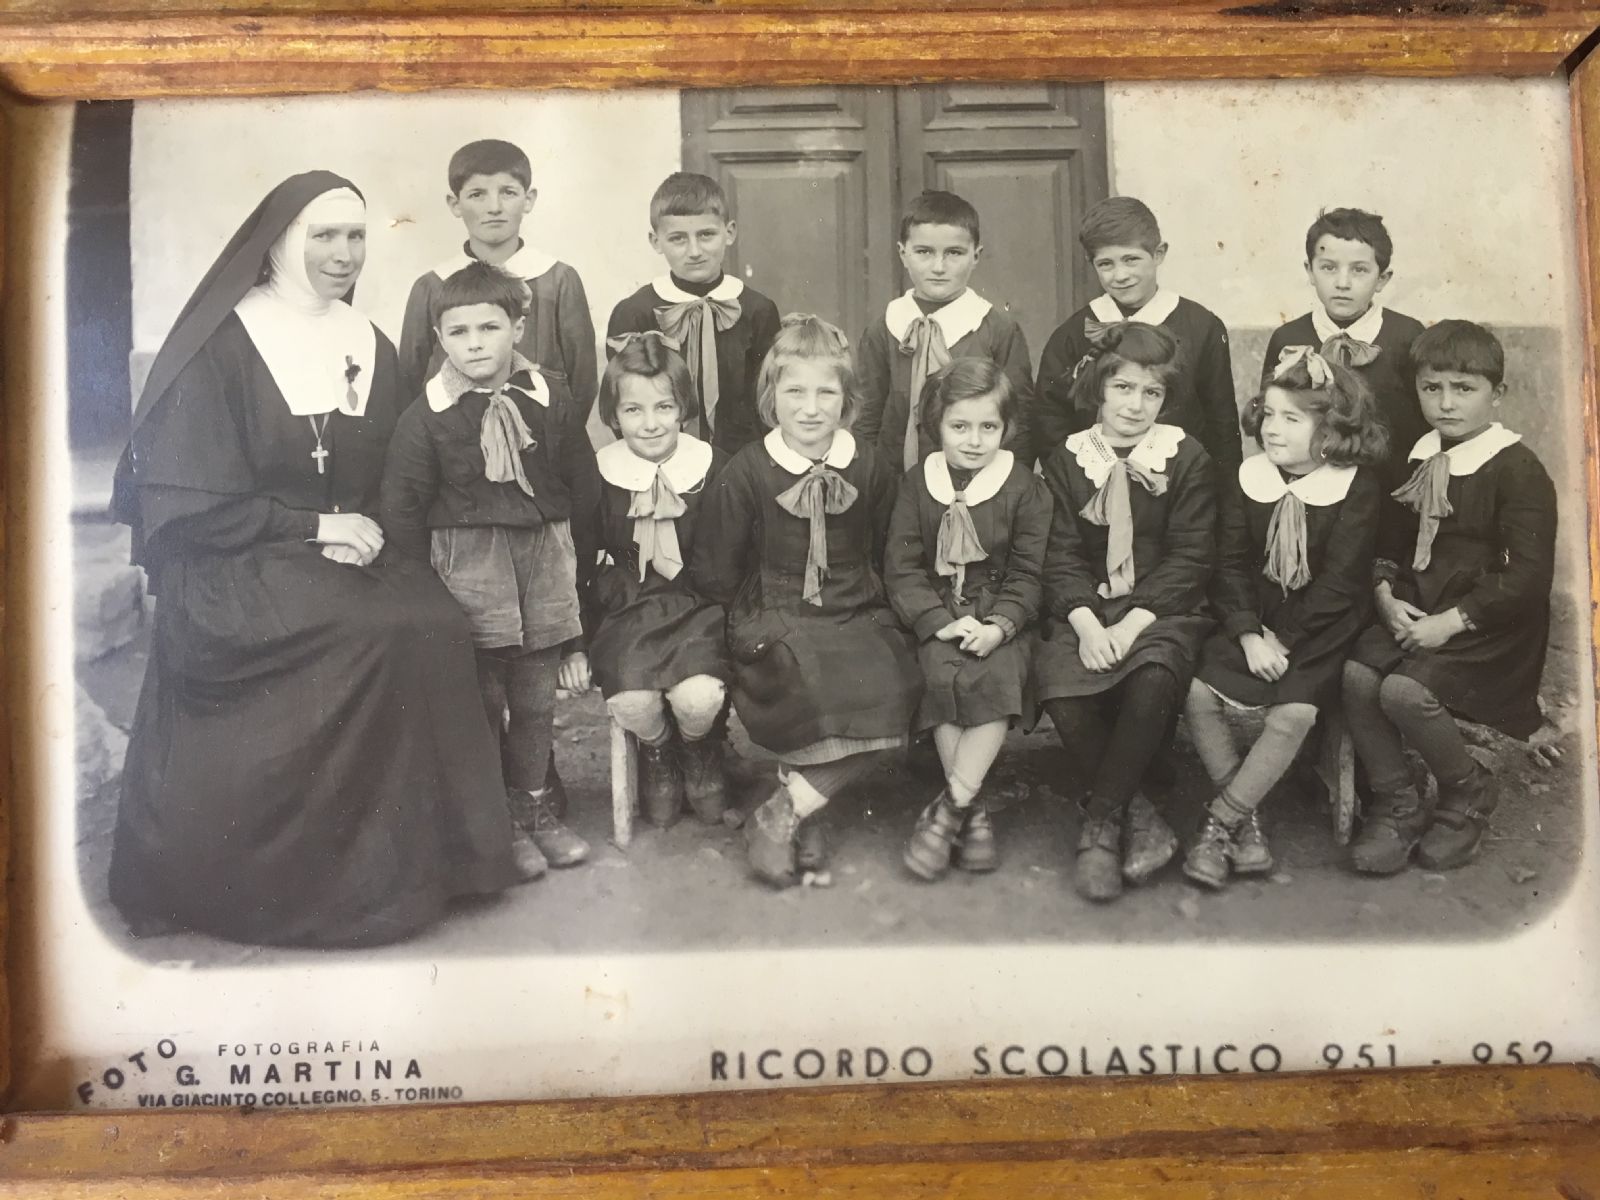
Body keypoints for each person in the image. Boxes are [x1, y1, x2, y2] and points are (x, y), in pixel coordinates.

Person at [107, 171, 521, 948]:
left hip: (346, 547)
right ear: (279, 245)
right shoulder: (221, 344)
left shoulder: (366, 341)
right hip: (236, 559)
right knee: (369, 633)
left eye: (355, 236)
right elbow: (195, 509)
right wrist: (315, 526)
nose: (343, 253)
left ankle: (435, 866)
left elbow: (397, 473)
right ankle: (327, 887)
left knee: (434, 620)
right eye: (323, 236)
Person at [380, 261, 597, 877]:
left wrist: (580, 573)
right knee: (481, 702)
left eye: (489, 328)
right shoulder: (427, 416)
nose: (475, 344)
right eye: (459, 332)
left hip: (543, 565)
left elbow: (581, 484)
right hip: (469, 575)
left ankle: (532, 808)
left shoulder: (550, 397)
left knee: (534, 702)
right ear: (440, 339)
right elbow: (402, 508)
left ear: (517, 328)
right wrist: (425, 594)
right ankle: (493, 822)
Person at [693, 314, 921, 888]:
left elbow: (888, 546)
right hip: (778, 607)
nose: (811, 408)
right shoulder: (748, 470)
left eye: (827, 393)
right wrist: (735, 629)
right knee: (808, 678)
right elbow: (719, 568)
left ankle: (787, 810)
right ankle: (807, 817)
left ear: (847, 401)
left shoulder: (868, 464)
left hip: (856, 604)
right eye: (795, 392)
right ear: (772, 396)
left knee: (897, 685)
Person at [1343, 320, 1557, 874]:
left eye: (1464, 389)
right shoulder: (1419, 457)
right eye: (1432, 388)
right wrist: (1385, 592)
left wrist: (1453, 621)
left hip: (1488, 623)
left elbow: (1527, 575)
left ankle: (1467, 789)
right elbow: (1392, 540)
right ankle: (1398, 799)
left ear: (1496, 393)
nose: (1446, 403)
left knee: (1404, 691)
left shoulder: (1517, 469)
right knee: (1357, 675)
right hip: (1421, 603)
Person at [1182, 348, 1387, 890]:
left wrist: (1286, 639)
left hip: (1321, 624)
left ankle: (1218, 822)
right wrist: (1249, 634)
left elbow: (1342, 581)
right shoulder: (1248, 476)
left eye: (1292, 419)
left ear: (1331, 429)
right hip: (1253, 615)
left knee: (1293, 712)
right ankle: (1245, 821)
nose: (1272, 429)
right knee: (1198, 693)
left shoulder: (1355, 485)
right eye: (1268, 414)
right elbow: (1228, 564)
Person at [1035, 321, 1217, 902]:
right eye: (1123, 388)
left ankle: (1100, 824)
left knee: (1154, 675)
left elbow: (1191, 555)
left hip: (1163, 606)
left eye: (1152, 393)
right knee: (1060, 684)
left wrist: (1136, 620)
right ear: (1098, 388)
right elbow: (1059, 553)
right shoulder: (1067, 460)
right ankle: (1139, 814)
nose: (1136, 405)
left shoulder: (1185, 456)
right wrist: (1088, 623)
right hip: (1087, 605)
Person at [885, 359, 1052, 881]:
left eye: (988, 427)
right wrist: (938, 620)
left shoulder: (1024, 488)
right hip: (940, 612)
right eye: (959, 426)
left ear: (1007, 428)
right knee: (939, 671)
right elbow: (903, 568)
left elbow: (1029, 572)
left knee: (997, 675)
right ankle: (972, 813)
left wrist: (1000, 624)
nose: (974, 440)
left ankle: (950, 810)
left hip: (1000, 613)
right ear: (936, 425)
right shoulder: (918, 484)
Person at [584, 331, 733, 827]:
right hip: (628, 606)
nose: (650, 424)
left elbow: (731, 554)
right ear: (613, 415)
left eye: (664, 407)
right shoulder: (599, 474)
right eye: (633, 410)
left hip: (698, 603)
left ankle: (699, 745)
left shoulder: (711, 466)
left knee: (699, 697)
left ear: (683, 408)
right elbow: (582, 557)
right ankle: (658, 749)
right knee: (632, 699)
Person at [1034, 196, 1239, 473]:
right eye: (1106, 264)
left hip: (1181, 484)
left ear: (1159, 254)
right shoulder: (1072, 333)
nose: (1120, 275)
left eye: (1131, 260)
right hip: (1091, 482)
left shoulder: (1202, 327)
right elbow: (1050, 422)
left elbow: (1221, 424)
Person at [397, 138, 598, 417]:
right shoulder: (431, 286)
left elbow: (583, 383)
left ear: (528, 200)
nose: (494, 207)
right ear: (455, 204)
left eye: (508, 192)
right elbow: (408, 383)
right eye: (477, 194)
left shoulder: (559, 280)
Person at [853, 190, 1035, 469]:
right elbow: (867, 417)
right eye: (924, 252)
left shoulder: (998, 329)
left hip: (979, 479)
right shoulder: (885, 328)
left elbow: (1019, 420)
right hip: (897, 480)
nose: (938, 267)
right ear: (903, 253)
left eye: (954, 253)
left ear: (976, 256)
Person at [606, 172, 781, 456]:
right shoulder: (634, 313)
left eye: (706, 235)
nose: (695, 251)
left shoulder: (757, 310)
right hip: (661, 457)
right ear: (655, 241)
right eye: (678, 239)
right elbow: (623, 399)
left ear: (730, 232)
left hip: (743, 459)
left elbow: (769, 397)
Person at [1261, 208, 1427, 482]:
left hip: (1389, 487)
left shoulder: (1407, 335)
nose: (1342, 283)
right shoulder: (1287, 338)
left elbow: (1421, 426)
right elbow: (1269, 417)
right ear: (1310, 271)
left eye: (1359, 270)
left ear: (1382, 279)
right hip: (1313, 489)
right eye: (1328, 267)